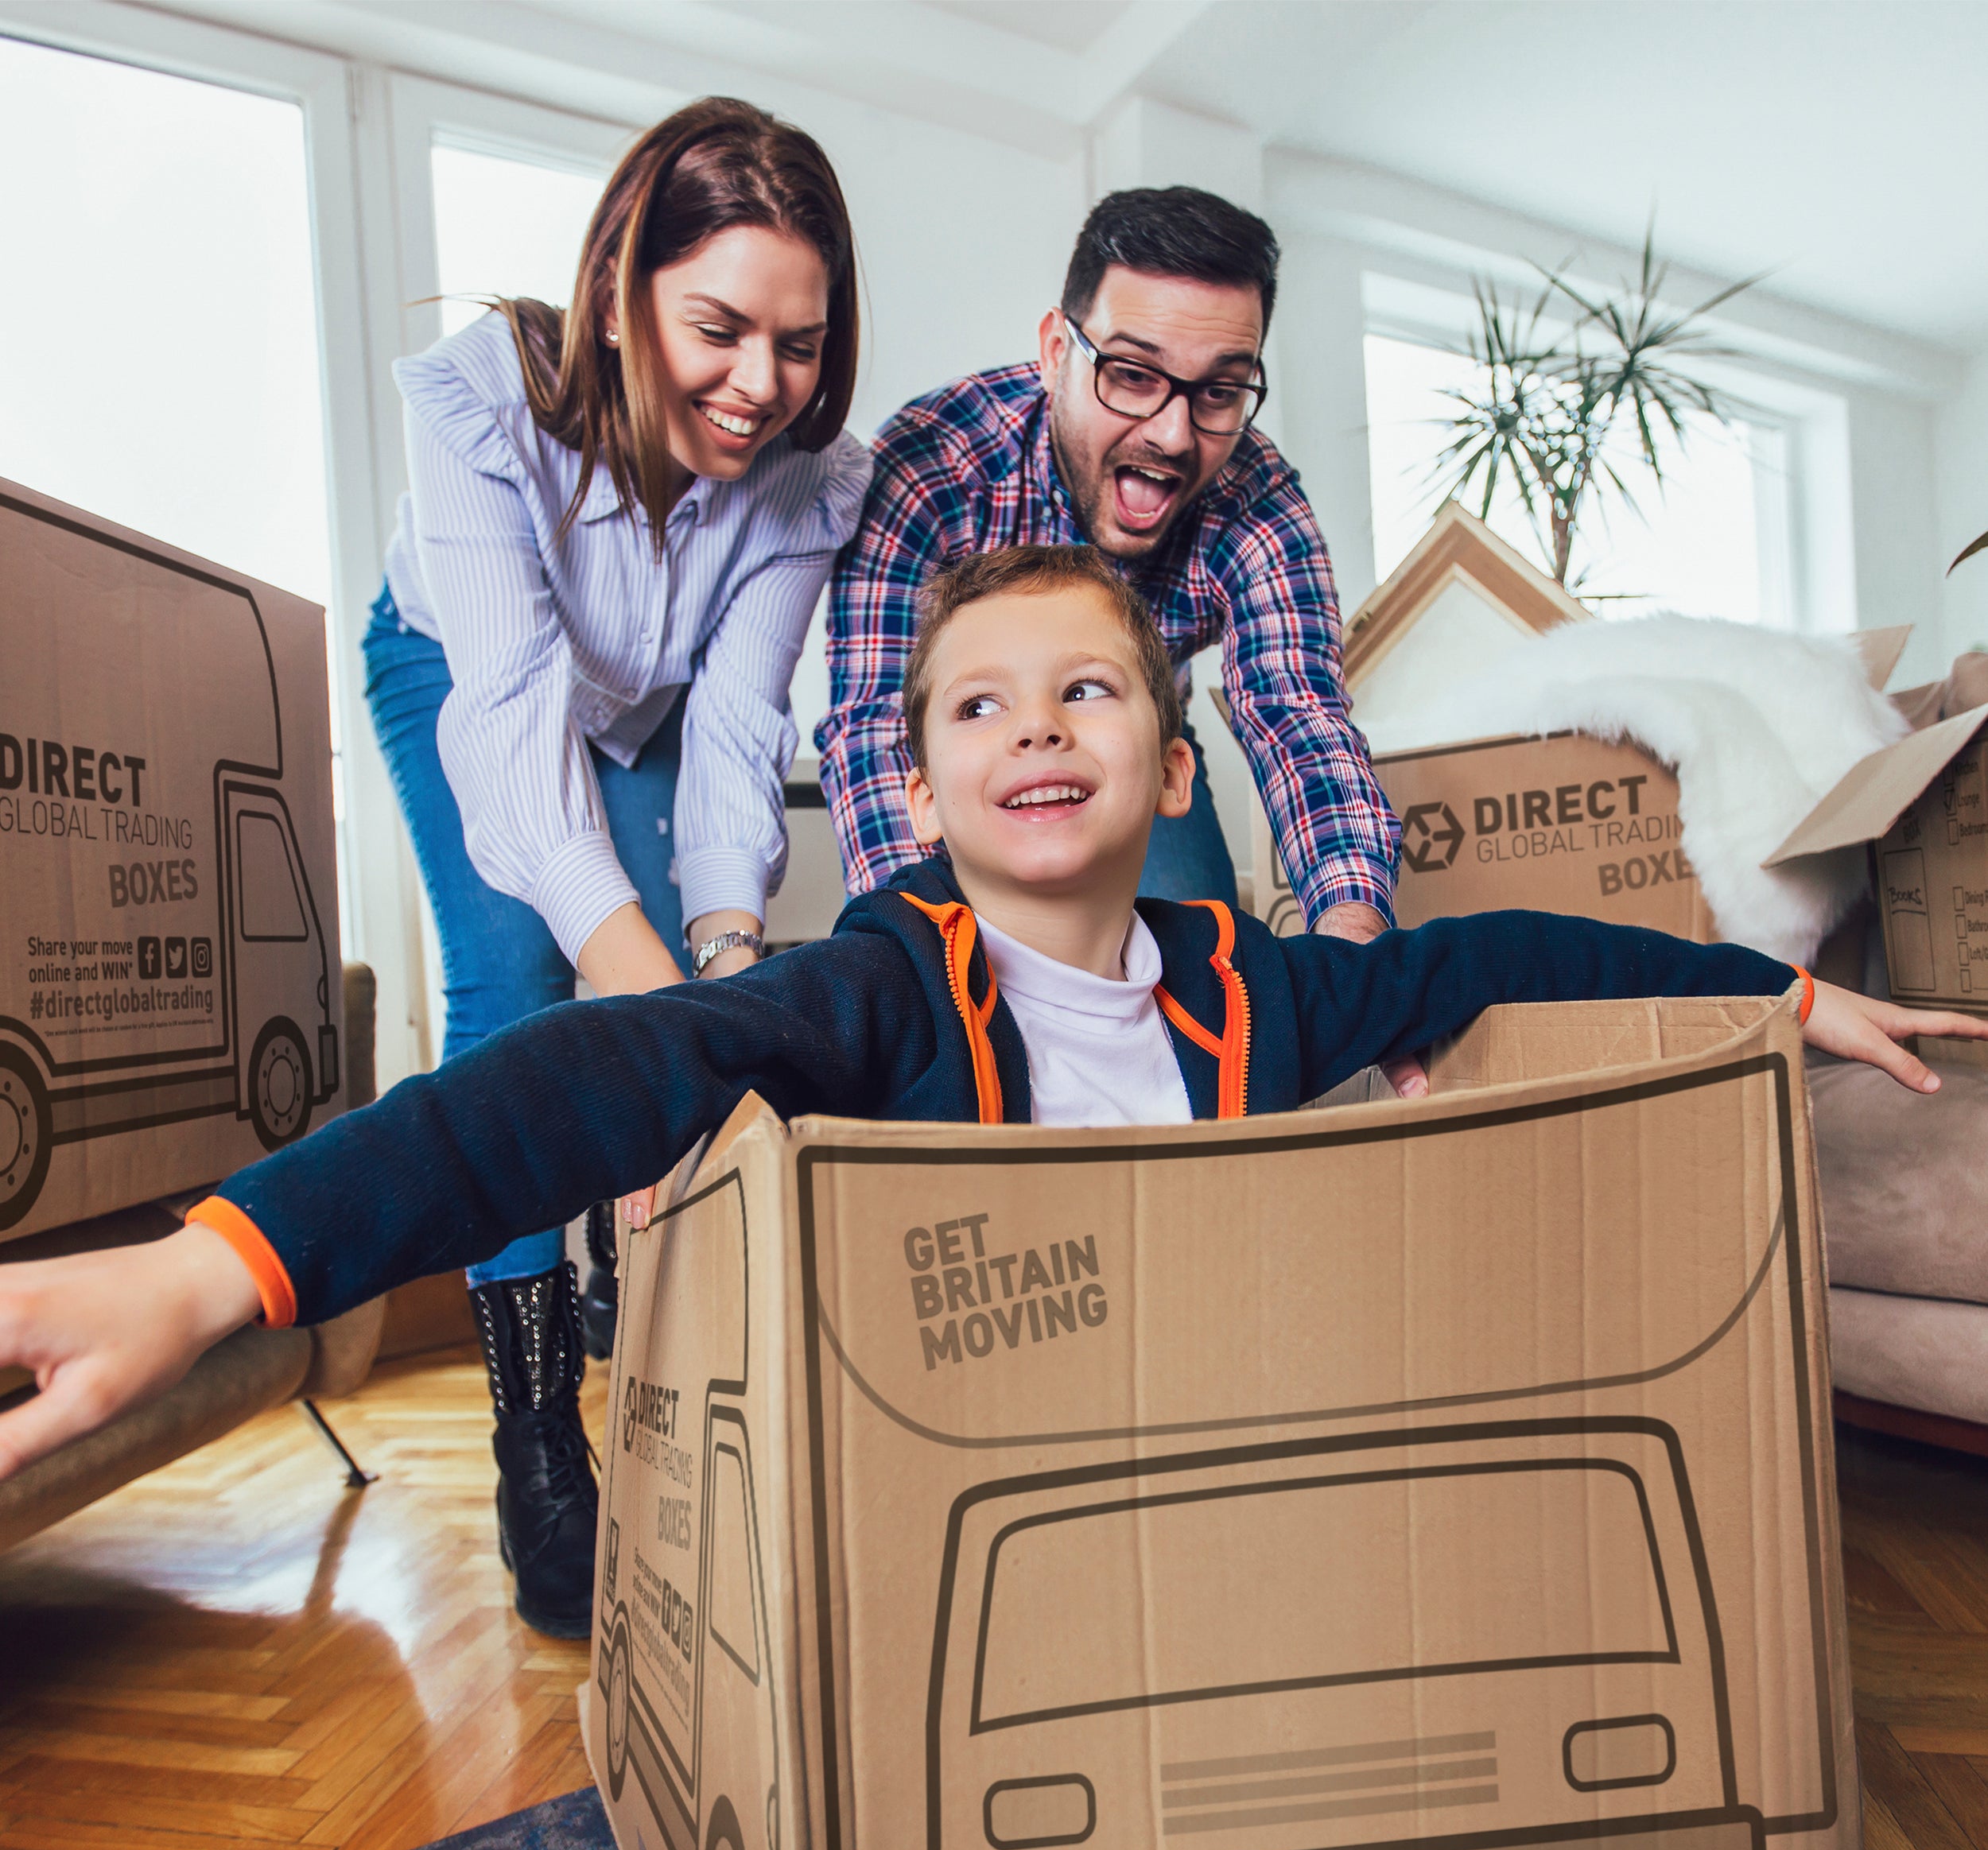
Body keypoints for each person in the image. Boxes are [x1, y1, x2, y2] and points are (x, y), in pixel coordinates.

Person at [1, 547, 1974, 1492]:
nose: (1037, 722)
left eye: (1090, 693)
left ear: (1176, 776)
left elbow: (1498, 959)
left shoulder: (1260, 995)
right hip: (969, 1473)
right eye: (982, 705)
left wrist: (1780, 987)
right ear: (926, 798)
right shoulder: (870, 993)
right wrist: (216, 1269)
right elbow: (590, 1076)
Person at [360, 96, 870, 1637]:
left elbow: (732, 736)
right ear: (621, 287)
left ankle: (620, 1267)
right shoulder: (479, 407)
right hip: (458, 668)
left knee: (680, 977)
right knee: (525, 977)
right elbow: (516, 751)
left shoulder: (806, 478)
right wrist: (638, 983)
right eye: (718, 327)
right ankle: (531, 1427)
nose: (757, 384)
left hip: (646, 707)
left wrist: (720, 967)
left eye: (797, 342)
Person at [820, 185, 1411, 1062]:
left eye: (1217, 392)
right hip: (971, 760)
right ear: (1058, 348)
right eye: (1131, 375)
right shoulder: (928, 464)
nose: (1172, 434)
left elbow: (1299, 719)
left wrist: (1360, 955)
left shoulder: (1260, 500)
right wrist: (915, 969)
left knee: (1195, 1017)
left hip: (1135, 733)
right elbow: (875, 727)